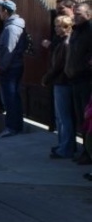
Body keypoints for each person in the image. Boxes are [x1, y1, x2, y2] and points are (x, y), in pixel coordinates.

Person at [43, 15, 75, 159]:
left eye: (58, 26)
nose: (55, 28)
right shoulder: (62, 41)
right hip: (60, 81)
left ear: (66, 28)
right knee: (60, 117)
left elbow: (59, 65)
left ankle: (66, 148)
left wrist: (47, 78)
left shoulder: (66, 43)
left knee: (64, 117)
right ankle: (63, 144)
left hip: (63, 82)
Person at [0, 0, 27, 137]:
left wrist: (2, 68)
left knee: (10, 99)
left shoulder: (11, 28)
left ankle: (12, 128)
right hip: (13, 67)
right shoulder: (12, 26)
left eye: (0, 11)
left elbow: (9, 50)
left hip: (10, 68)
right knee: (12, 98)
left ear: (6, 12)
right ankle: (15, 126)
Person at [65, 2, 92, 165]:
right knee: (79, 116)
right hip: (74, 78)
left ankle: (88, 152)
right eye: (75, 14)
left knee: (86, 117)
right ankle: (85, 150)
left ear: (88, 15)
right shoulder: (76, 31)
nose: (76, 16)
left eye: (80, 14)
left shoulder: (89, 30)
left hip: (85, 79)